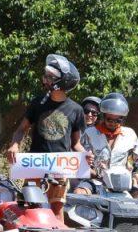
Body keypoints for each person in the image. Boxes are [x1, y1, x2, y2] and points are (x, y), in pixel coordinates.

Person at [6, 54, 85, 221]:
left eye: (50, 77)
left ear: (61, 82)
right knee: (31, 207)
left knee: (57, 209)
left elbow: (76, 143)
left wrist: (87, 156)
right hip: (36, 165)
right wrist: (14, 144)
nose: (45, 79)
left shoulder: (76, 110)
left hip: (60, 167)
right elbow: (21, 129)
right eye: (46, 75)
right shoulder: (37, 103)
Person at [74, 94, 138, 198]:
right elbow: (81, 159)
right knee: (79, 193)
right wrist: (93, 172)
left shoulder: (130, 134)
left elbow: (137, 160)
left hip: (123, 181)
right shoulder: (89, 133)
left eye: (118, 120)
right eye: (109, 120)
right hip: (97, 180)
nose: (113, 123)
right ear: (103, 116)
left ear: (122, 119)